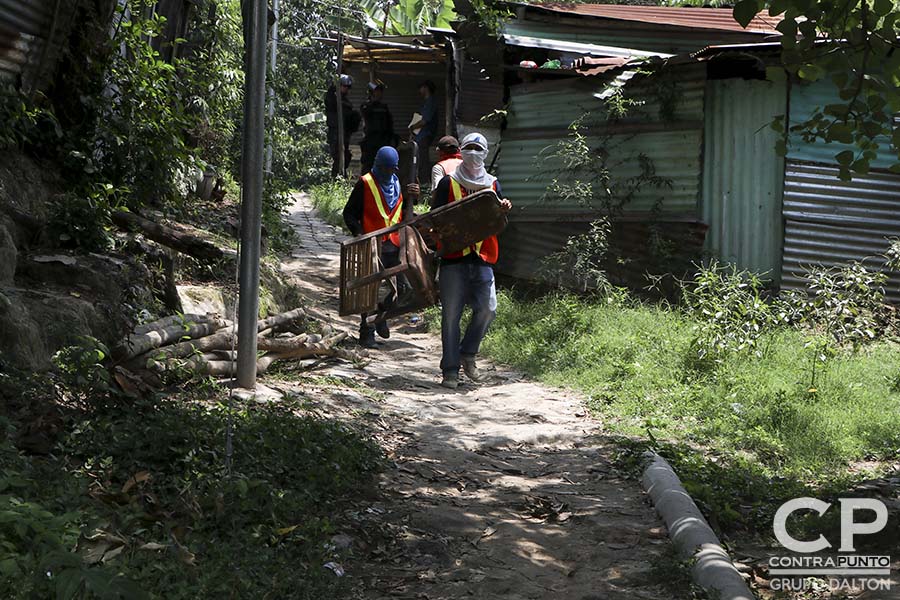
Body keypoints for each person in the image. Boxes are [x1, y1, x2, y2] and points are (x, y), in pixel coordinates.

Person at [431, 133, 512, 389]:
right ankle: (451, 371)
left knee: (488, 308)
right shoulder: (447, 183)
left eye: (479, 148)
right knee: (450, 316)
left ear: (485, 153)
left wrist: (504, 207)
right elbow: (436, 217)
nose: (473, 152)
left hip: (483, 257)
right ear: (462, 151)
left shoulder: (493, 184)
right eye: (469, 148)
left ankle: (468, 353)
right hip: (453, 259)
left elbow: (498, 219)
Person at [342, 146, 410, 348]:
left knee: (404, 289)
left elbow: (401, 211)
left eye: (391, 169)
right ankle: (367, 332)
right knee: (369, 291)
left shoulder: (397, 184)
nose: (388, 173)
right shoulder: (365, 183)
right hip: (372, 245)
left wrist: (412, 196)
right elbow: (349, 213)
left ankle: (381, 315)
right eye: (385, 168)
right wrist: (360, 234)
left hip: (394, 245)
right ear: (378, 165)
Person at [325, 74, 360, 178]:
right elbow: (329, 101)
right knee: (337, 156)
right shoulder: (333, 98)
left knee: (346, 156)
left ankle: (340, 175)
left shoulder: (346, 102)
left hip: (345, 133)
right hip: (335, 132)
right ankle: (335, 177)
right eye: (344, 86)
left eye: (347, 87)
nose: (346, 89)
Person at [359, 81, 395, 175]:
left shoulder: (384, 107)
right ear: (371, 92)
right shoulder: (366, 106)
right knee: (368, 165)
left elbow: (389, 124)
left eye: (380, 91)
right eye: (377, 91)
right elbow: (365, 114)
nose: (379, 93)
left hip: (383, 141)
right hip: (370, 141)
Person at [408, 80, 438, 186]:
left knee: (423, 159)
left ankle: (425, 182)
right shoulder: (426, 102)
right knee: (420, 158)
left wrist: (412, 127)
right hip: (421, 135)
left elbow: (425, 120)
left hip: (425, 135)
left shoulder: (431, 102)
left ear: (426, 88)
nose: (420, 91)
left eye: (421, 88)